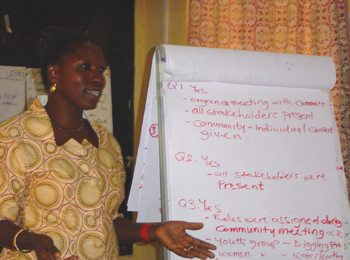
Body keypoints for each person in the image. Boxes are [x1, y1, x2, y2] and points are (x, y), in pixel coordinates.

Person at [0, 27, 216, 260]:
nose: (98, 78)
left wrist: (152, 231)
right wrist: (36, 241)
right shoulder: (14, 137)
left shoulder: (107, 142)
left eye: (101, 69)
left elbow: (107, 222)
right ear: (54, 73)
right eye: (85, 67)